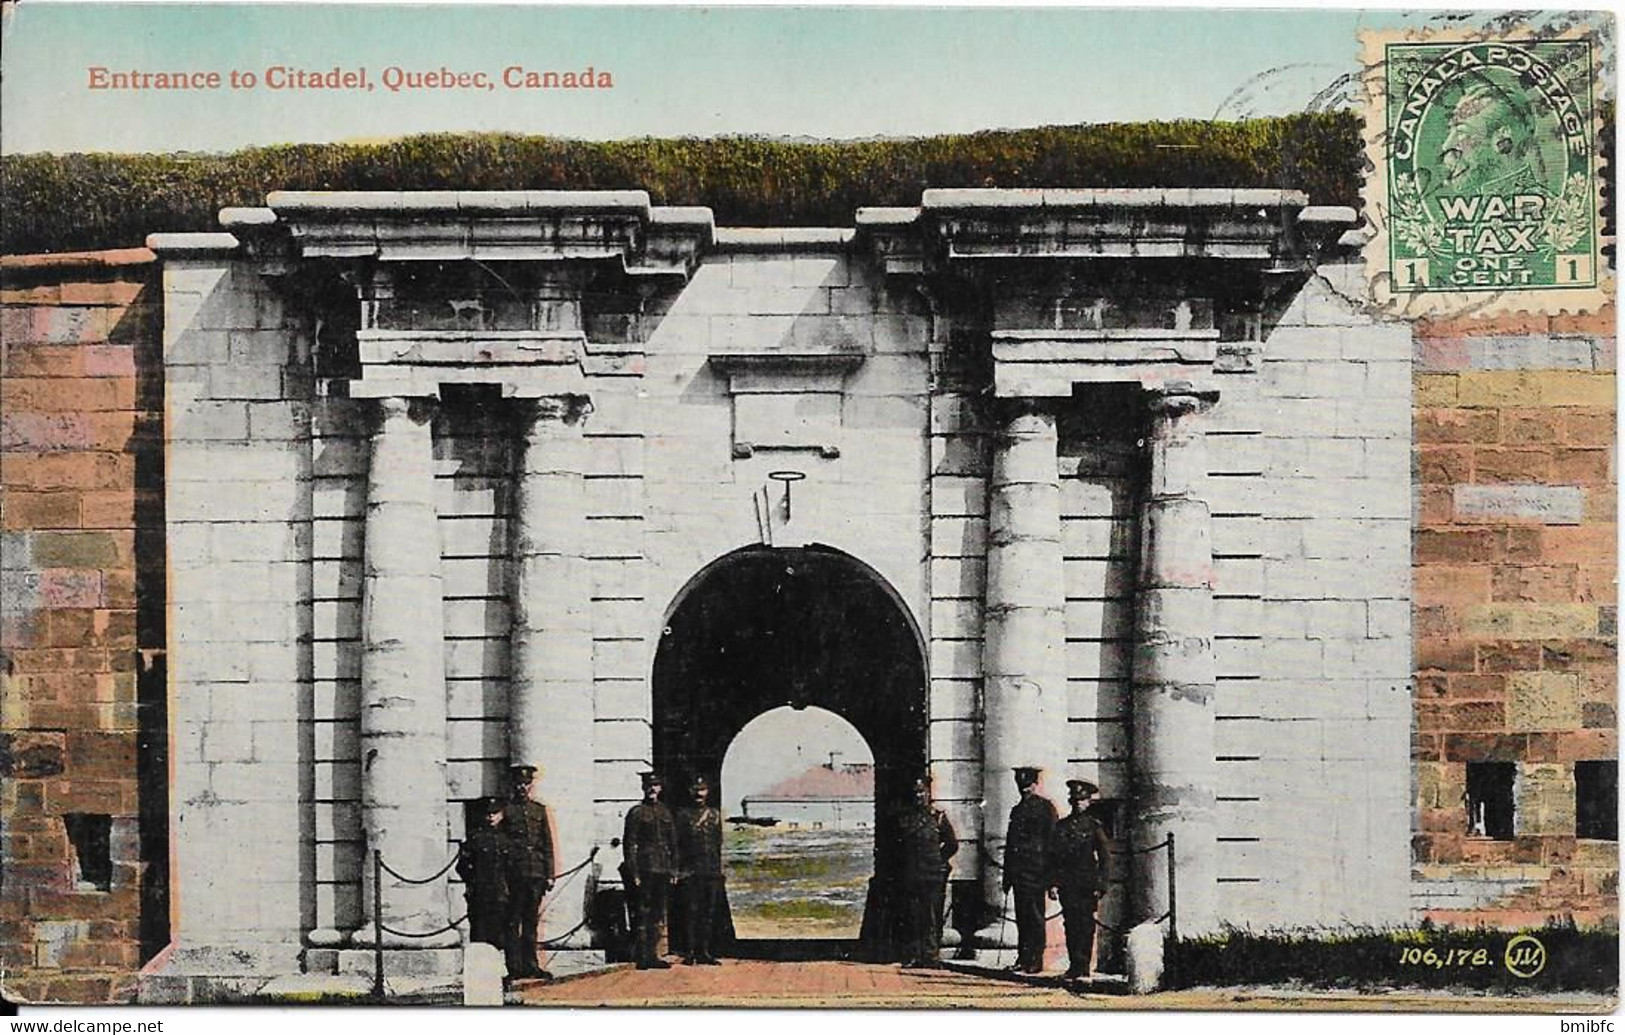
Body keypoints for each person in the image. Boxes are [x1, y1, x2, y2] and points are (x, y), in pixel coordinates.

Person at [1048, 779, 1111, 980]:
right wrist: (1053, 883)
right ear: (1070, 801)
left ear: (1088, 802)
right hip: (1068, 884)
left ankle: (1083, 966)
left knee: (1086, 925)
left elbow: (1104, 857)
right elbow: (1054, 858)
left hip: (1087, 884)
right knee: (1071, 925)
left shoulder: (1094, 826)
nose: (1078, 803)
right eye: (1075, 800)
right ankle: (1074, 965)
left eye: (1082, 800)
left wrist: (1101, 884)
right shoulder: (1061, 826)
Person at [895, 771, 957, 969]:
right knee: (912, 916)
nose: (918, 796)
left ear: (928, 793)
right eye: (915, 792)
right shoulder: (904, 819)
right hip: (911, 875)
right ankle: (914, 955)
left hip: (933, 876)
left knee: (932, 916)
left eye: (922, 792)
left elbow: (952, 844)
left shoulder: (938, 818)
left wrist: (939, 861)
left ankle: (931, 955)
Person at [1002, 765, 1058, 974]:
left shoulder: (1046, 808)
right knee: (1022, 917)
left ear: (1036, 784)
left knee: (1035, 917)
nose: (1024, 790)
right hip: (1019, 873)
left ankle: (1036, 959)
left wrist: (1052, 879)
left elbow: (1052, 844)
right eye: (1021, 786)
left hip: (1037, 871)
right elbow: (1011, 844)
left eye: (1027, 785)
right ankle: (1024, 958)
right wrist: (1007, 877)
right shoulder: (1016, 810)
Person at [503, 764, 555, 980]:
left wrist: (549, 874)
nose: (522, 787)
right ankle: (514, 968)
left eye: (525, 783)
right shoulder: (507, 810)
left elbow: (547, 843)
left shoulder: (538, 810)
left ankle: (531, 966)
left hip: (535, 873)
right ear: (513, 785)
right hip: (514, 874)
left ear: (531, 784)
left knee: (531, 923)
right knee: (513, 921)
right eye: (518, 783)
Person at [623, 771, 678, 969]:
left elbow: (673, 845)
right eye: (648, 786)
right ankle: (642, 956)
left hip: (662, 869)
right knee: (643, 912)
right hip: (645, 869)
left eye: (655, 785)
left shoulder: (665, 813)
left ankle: (653, 955)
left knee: (657, 913)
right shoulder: (637, 812)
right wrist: (634, 872)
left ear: (660, 788)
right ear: (643, 788)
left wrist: (674, 870)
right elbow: (630, 844)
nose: (652, 789)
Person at [675, 775, 724, 965]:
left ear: (707, 792)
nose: (699, 793)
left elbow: (719, 844)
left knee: (708, 913)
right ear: (690, 792)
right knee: (691, 912)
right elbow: (676, 844)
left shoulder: (714, 815)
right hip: (690, 871)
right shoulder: (683, 815)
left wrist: (720, 869)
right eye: (695, 789)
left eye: (702, 789)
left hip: (710, 871)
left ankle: (704, 951)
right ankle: (690, 952)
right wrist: (678, 870)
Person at [456, 796, 510, 951]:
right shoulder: (476, 838)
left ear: (502, 814)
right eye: (488, 814)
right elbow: (462, 866)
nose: (491, 817)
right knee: (480, 932)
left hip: (503, 893)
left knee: (501, 932)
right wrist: (473, 882)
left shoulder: (507, 839)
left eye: (495, 813)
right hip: (480, 893)